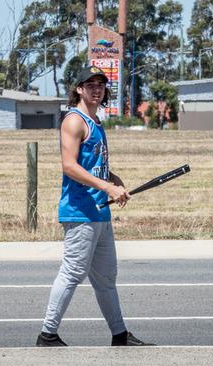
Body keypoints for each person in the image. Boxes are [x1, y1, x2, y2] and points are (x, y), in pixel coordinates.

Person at [36, 66, 155, 347]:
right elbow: (69, 166)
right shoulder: (74, 121)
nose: (97, 89)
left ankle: (119, 334)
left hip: (100, 210)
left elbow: (95, 166)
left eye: (100, 84)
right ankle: (47, 334)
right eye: (90, 84)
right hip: (80, 210)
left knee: (106, 278)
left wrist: (114, 179)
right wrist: (107, 186)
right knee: (73, 272)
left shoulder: (96, 122)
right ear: (79, 89)